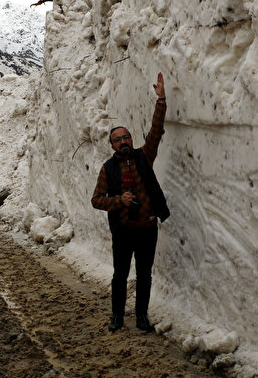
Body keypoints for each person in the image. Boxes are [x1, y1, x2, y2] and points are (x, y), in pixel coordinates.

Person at [91, 71, 169, 332]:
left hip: (147, 229)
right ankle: (117, 316)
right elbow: (96, 200)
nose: (123, 142)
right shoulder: (107, 170)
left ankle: (142, 318)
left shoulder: (143, 157)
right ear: (112, 145)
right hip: (123, 232)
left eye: (126, 137)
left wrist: (161, 100)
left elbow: (156, 133)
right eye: (118, 139)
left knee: (145, 276)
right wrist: (118, 200)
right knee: (120, 275)